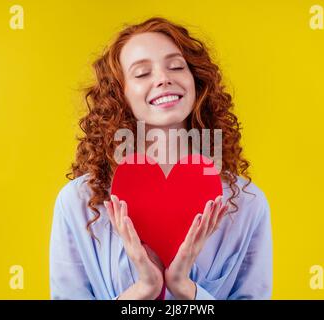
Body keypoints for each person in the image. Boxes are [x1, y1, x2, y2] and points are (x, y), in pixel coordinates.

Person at [49, 17, 272, 300]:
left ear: (196, 81)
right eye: (142, 73)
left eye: (177, 66)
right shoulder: (78, 203)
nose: (163, 78)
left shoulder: (246, 204)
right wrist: (144, 290)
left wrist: (185, 288)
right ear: (120, 96)